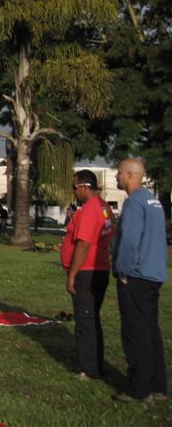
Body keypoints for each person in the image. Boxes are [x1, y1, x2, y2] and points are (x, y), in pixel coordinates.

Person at [111, 158, 168, 403]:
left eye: (119, 172)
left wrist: (122, 271)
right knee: (151, 331)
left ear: (130, 175)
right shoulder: (153, 201)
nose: (116, 176)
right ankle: (158, 384)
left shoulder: (134, 203)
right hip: (153, 274)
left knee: (136, 332)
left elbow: (130, 241)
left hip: (136, 276)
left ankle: (139, 387)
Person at [59, 170, 115, 381]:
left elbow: (83, 243)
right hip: (98, 269)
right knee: (91, 318)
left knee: (85, 320)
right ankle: (95, 362)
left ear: (84, 187)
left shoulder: (91, 209)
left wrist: (72, 273)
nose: (73, 192)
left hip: (87, 271)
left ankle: (89, 369)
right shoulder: (103, 207)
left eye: (74, 187)